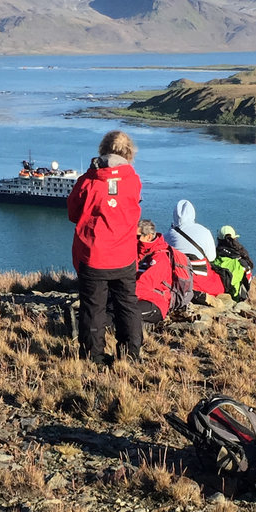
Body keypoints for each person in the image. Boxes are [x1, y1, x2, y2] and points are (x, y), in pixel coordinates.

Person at [67, 130, 144, 360]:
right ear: (129, 152)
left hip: (94, 256)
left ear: (102, 149)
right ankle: (131, 355)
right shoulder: (133, 180)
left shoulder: (88, 181)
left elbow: (73, 213)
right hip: (125, 255)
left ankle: (94, 357)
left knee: (93, 307)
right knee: (128, 305)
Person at [167, 200, 228, 304]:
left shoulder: (167, 236)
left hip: (177, 280)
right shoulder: (204, 231)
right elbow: (212, 257)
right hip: (201, 280)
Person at [134, 220, 186, 327]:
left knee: (126, 314)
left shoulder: (160, 256)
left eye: (136, 236)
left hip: (155, 301)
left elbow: (145, 283)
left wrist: (123, 296)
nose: (133, 240)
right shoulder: (136, 252)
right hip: (136, 296)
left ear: (148, 237)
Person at [213, 225, 255, 302]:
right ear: (235, 239)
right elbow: (247, 285)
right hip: (234, 300)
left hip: (214, 297)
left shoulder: (212, 258)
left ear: (218, 240)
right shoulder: (241, 262)